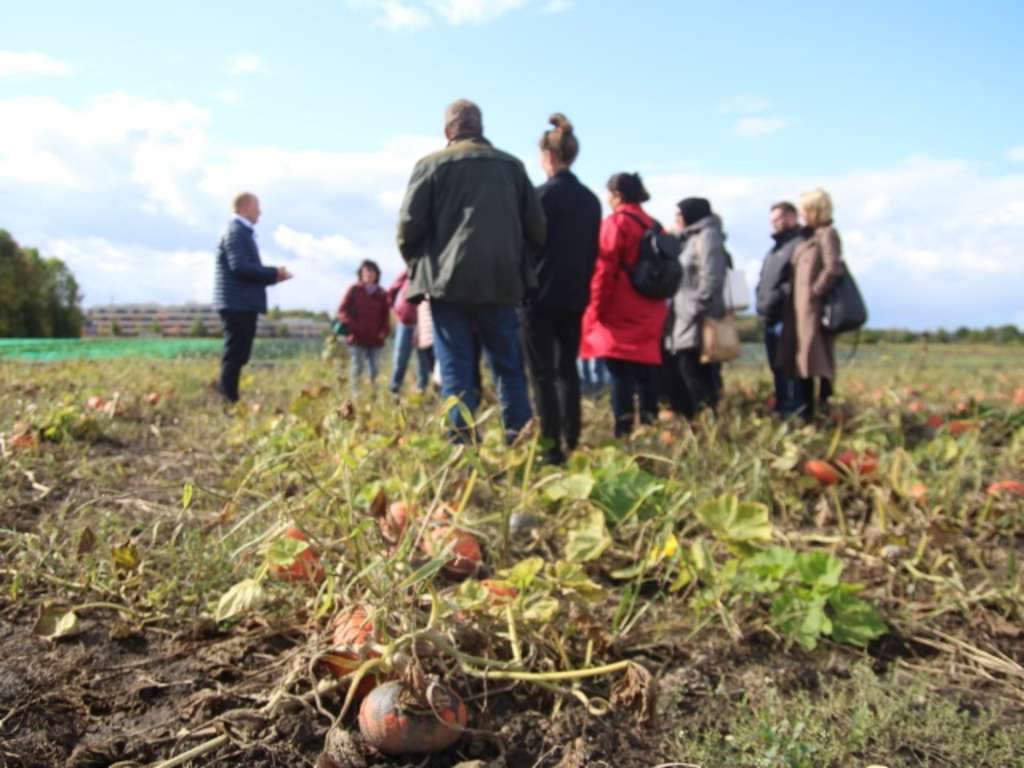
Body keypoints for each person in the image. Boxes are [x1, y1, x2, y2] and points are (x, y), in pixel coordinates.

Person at [397, 99, 546, 442]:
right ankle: (519, 437)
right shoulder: (513, 167)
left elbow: (407, 228)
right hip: (502, 281)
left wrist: (424, 265)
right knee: (508, 365)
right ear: (480, 128)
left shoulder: (430, 166)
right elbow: (538, 228)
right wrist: (516, 261)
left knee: (455, 367)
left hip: (447, 285)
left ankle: (461, 444)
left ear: (448, 131)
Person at [520, 114, 601, 464]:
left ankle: (551, 446)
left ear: (548, 157)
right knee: (568, 367)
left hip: (538, 295)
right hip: (576, 294)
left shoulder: (541, 196)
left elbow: (526, 244)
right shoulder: (591, 200)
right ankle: (573, 435)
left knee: (541, 373)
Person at [580, 173, 667, 437]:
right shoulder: (655, 226)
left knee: (620, 374)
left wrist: (594, 310)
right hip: (652, 308)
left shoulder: (616, 223)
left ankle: (624, 430)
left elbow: (603, 271)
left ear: (616, 194)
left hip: (619, 310)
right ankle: (650, 428)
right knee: (647, 372)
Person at [213, 192, 292, 403]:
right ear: (245, 207)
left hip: (241, 303)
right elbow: (239, 267)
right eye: (257, 207)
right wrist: (272, 272)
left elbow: (246, 271)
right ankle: (227, 397)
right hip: (236, 303)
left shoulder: (241, 233)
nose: (260, 212)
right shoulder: (235, 232)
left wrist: (274, 277)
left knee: (239, 354)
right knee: (235, 353)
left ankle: (229, 394)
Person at [778, 188, 844, 420]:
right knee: (803, 361)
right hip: (800, 309)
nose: (802, 213)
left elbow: (833, 267)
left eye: (805, 209)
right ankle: (806, 409)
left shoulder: (827, 234)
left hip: (813, 310)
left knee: (814, 361)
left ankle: (818, 411)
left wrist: (815, 292)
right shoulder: (809, 236)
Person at [663, 197, 729, 418]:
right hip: (683, 316)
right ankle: (693, 419)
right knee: (684, 370)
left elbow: (712, 276)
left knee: (694, 372)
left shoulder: (707, 237)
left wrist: (696, 307)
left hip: (694, 317)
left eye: (679, 215)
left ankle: (706, 420)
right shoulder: (690, 238)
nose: (676, 219)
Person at [755, 201, 804, 415]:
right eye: (772, 220)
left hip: (786, 317)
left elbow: (794, 282)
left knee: (789, 368)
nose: (774, 224)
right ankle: (782, 407)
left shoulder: (798, 244)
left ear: (792, 217)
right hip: (770, 317)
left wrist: (776, 299)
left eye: (778, 219)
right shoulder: (776, 247)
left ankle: (794, 411)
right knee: (777, 368)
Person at [338, 259, 390, 393]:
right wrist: (351, 326)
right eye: (366, 271)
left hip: (375, 339)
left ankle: (373, 394)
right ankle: (356, 394)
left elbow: (386, 316)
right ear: (361, 273)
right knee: (358, 366)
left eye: (372, 271)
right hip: (357, 337)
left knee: (375, 369)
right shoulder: (354, 290)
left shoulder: (382, 293)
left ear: (377, 274)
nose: (369, 274)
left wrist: (384, 332)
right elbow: (342, 311)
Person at [387, 269, 432, 394]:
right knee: (401, 357)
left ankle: (421, 390)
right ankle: (394, 389)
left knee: (423, 360)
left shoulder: (432, 268)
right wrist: (395, 312)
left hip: (425, 323)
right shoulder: (408, 271)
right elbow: (391, 292)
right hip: (406, 321)